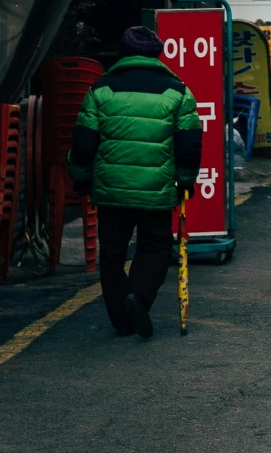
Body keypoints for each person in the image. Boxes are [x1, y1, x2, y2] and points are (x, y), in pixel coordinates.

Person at [68, 25, 204, 339]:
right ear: (158, 55)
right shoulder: (178, 91)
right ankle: (139, 297)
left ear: (123, 54)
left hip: (110, 190)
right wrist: (185, 181)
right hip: (155, 190)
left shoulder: (100, 89)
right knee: (155, 246)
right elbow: (189, 145)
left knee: (113, 253)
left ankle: (121, 319)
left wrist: (80, 178)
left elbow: (84, 144)